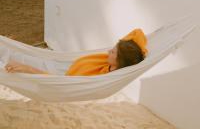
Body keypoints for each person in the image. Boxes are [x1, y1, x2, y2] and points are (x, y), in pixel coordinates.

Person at [5, 29, 148, 76]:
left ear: (120, 61)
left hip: (52, 71)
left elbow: (59, 82)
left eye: (113, 52)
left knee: (11, 58)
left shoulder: (103, 75)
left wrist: (27, 69)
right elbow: (137, 32)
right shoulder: (107, 60)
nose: (109, 51)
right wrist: (142, 51)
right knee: (12, 53)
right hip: (57, 63)